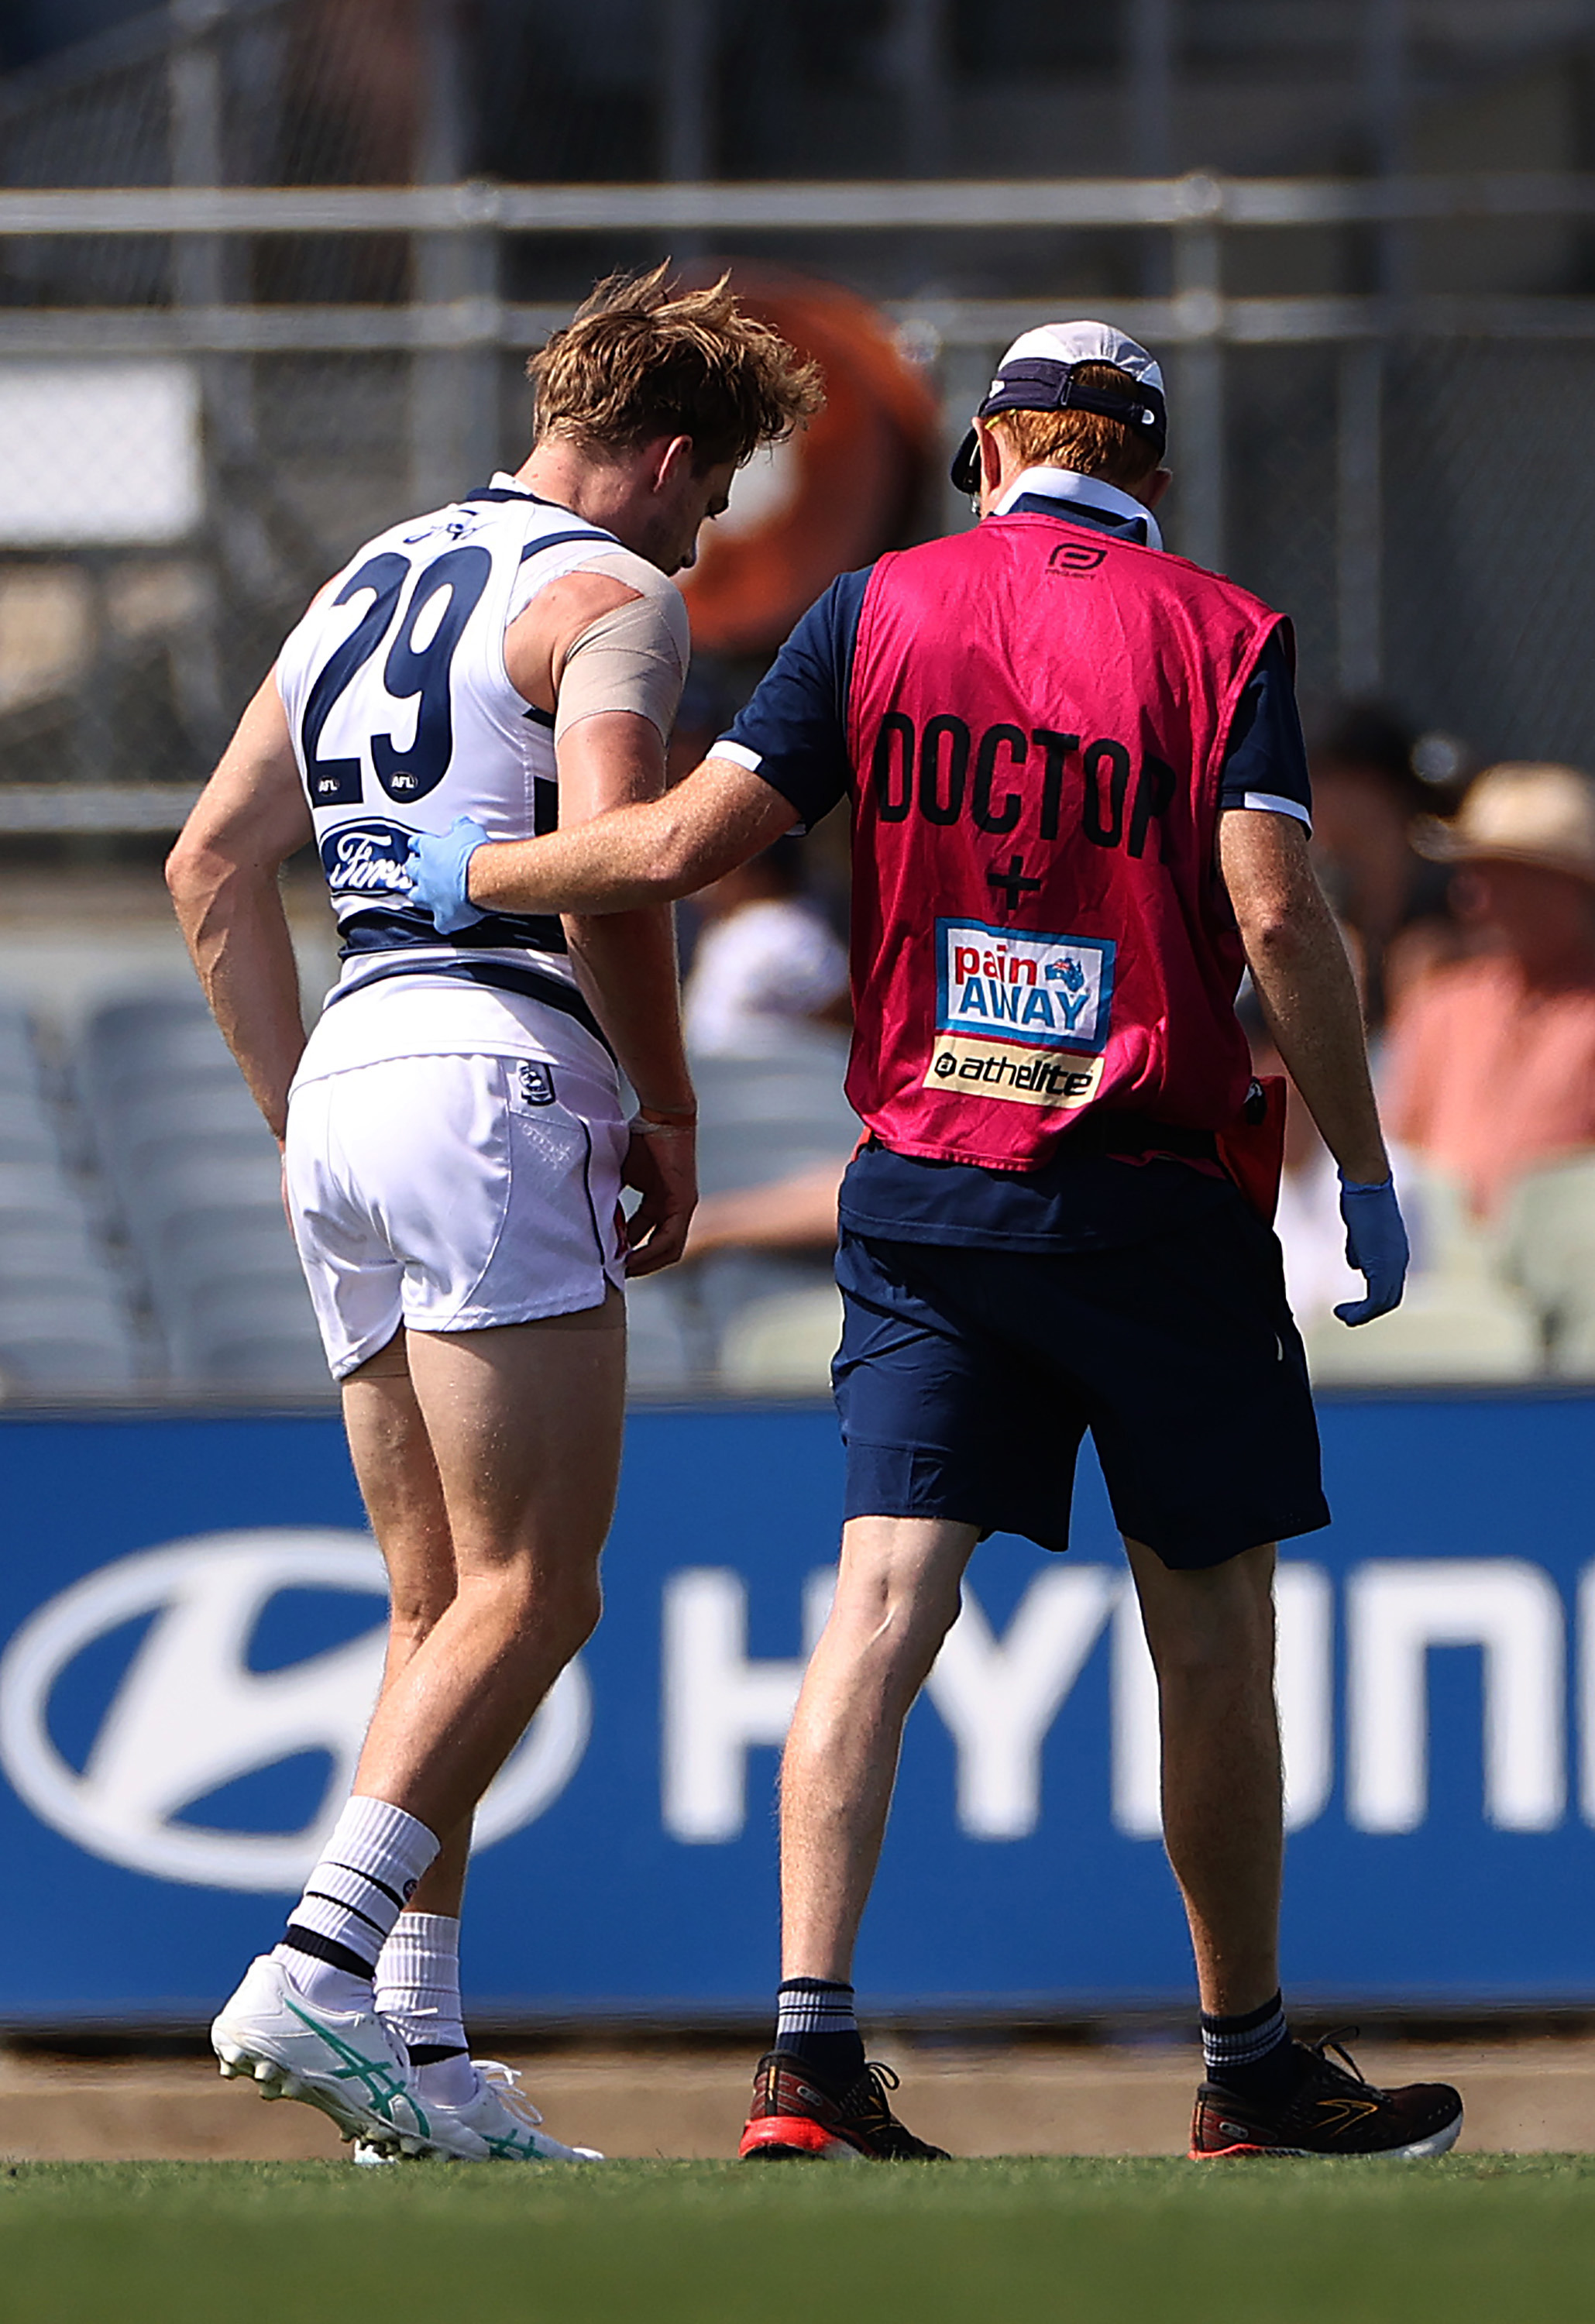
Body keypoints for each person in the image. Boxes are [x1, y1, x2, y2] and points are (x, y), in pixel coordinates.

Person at [409, 321, 1463, 2164]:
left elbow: (671, 851)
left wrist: (463, 873)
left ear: (987, 451)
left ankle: (806, 2057)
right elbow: (1279, 915)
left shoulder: (874, 607)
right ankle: (1244, 2065)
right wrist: (1364, 1167)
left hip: (924, 1193)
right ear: (1148, 474)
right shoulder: (1225, 632)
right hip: (1155, 1202)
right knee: (1213, 1639)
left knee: (881, 1610)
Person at [166, 264, 821, 2163]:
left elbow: (210, 866)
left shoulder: (361, 576)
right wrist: (670, 1107)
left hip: (352, 1060)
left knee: (435, 1605)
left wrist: (302, 1113)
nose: (704, 539)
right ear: (672, 456)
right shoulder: (608, 594)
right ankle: (318, 1956)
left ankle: (421, 2048)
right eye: (715, 497)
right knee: (538, 1586)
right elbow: (611, 866)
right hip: (496, 1058)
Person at [1383, 761, 1595, 1216]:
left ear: (1570, 887)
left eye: (1505, 878)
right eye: (1473, 875)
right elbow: (1399, 1153)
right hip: (1439, 1253)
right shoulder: (1440, 1008)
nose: (1475, 900)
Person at [683, 837, 850, 1056]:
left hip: (763, 1071)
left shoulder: (790, 929)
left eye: (726, 871)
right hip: (713, 1068)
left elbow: (841, 1003)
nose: (714, 887)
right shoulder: (730, 927)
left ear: (761, 875)